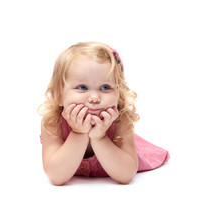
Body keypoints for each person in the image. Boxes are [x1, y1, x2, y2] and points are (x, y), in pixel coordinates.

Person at [38, 42, 170, 186]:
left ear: (118, 93)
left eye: (105, 87)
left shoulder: (120, 120)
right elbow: (56, 176)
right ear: (58, 95)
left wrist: (99, 137)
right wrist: (78, 133)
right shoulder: (52, 122)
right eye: (82, 87)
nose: (94, 98)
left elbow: (125, 175)